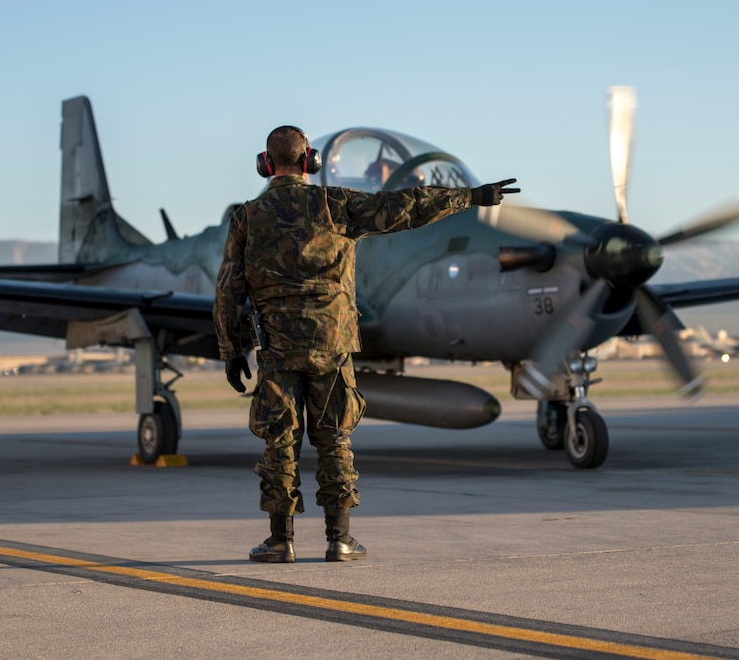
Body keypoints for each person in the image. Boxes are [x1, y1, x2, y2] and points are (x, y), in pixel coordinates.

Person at [213, 125, 518, 563]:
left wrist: (229, 349)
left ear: (265, 163)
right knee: (334, 439)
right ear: (309, 162)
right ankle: (339, 540)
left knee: (280, 442)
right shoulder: (335, 204)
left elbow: (228, 289)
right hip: (332, 345)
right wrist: (470, 197)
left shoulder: (246, 217)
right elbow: (405, 207)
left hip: (278, 349)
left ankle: (281, 542)